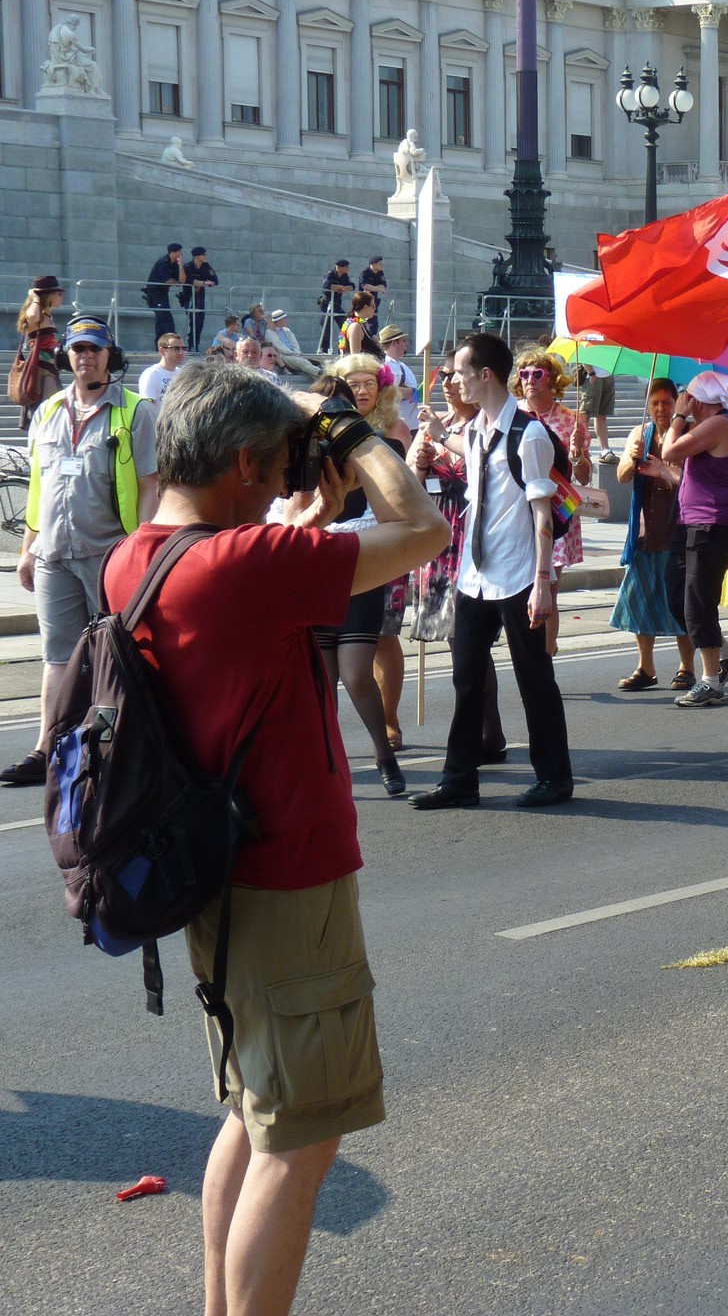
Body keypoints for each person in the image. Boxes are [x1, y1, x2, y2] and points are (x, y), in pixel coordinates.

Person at [105, 360, 444, 1316]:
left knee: (254, 1115)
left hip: (217, 875)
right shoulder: (247, 566)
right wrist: (353, 432)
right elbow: (424, 529)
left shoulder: (140, 555)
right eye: (278, 464)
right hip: (288, 874)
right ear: (246, 463)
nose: (287, 478)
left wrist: (297, 514)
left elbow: (249, 585)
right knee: (300, 1140)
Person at [410, 332, 574, 809]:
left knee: (534, 679)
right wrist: (438, 434)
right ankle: (459, 780)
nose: (453, 380)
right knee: (467, 680)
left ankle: (554, 779)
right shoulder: (478, 428)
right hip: (474, 576)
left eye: (460, 372)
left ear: (485, 375)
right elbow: (474, 454)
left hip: (519, 576)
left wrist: (542, 583)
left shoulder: (529, 434)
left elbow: (543, 514)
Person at [1, 315, 159, 787]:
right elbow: (39, 487)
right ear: (65, 356)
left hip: (110, 554)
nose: (85, 356)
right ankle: (46, 749)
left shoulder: (136, 411)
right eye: (77, 349)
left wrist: (141, 548)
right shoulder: (49, 410)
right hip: (53, 554)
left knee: (117, 656)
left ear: (110, 355)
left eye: (94, 349)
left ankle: (120, 745)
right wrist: (28, 548)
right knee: (58, 657)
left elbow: (150, 486)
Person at [304, 374, 409, 796]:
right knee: (323, 680)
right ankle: (328, 765)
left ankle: (384, 755)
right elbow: (287, 515)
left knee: (356, 673)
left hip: (360, 568)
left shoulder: (377, 449)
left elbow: (393, 514)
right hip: (316, 572)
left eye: (336, 409)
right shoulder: (300, 456)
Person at [407, 358, 506, 761]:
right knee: (458, 643)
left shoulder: (482, 425)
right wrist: (420, 464)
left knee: (469, 642)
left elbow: (489, 477)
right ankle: (483, 730)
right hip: (439, 539)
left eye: (454, 375)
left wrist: (442, 440)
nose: (448, 382)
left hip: (471, 537)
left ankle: (487, 730)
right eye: (442, 376)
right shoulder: (432, 426)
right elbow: (411, 487)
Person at [325, 355, 412, 753]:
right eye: (352, 384)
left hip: (384, 543)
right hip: (335, 543)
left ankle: (390, 719)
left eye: (368, 383)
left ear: (381, 389)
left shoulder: (395, 429)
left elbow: (407, 488)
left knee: (384, 635)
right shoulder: (325, 429)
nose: (360, 391)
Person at [660, 369, 728, 709]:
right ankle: (725, 651)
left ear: (697, 400)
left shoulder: (720, 423)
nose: (684, 402)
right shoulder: (707, 427)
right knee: (676, 595)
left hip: (714, 525)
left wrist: (678, 417)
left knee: (699, 601)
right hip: (690, 522)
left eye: (688, 396)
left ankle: (711, 681)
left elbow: (671, 451)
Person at [611, 377, 693, 693]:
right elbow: (621, 476)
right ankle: (646, 667)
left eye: (667, 402)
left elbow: (694, 483)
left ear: (676, 404)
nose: (661, 409)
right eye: (655, 403)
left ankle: (687, 667)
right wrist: (631, 459)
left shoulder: (687, 435)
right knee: (638, 601)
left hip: (679, 531)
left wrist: (665, 471)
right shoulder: (639, 434)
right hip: (645, 532)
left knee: (680, 602)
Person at [512, 348, 593, 657]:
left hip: (556, 513)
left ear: (552, 379)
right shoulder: (511, 414)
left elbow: (584, 476)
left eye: (538, 374)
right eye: (524, 374)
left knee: (547, 588)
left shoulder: (572, 420)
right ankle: (531, 650)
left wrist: (578, 454)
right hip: (518, 511)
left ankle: (544, 654)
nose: (529, 380)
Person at [13, 274, 65, 425]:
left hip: (51, 369)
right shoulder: (38, 317)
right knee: (48, 412)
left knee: (54, 411)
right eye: (59, 294)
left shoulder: (48, 317)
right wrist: (35, 297)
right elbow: (32, 317)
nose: (62, 297)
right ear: (49, 295)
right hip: (41, 372)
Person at [376, 325, 420, 433]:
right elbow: (389, 391)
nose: (406, 344)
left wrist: (420, 393)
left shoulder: (401, 365)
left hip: (410, 423)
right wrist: (415, 392)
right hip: (399, 425)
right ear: (394, 343)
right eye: (403, 340)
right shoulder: (385, 366)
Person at [142, 243, 184, 346]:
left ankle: (159, 345)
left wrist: (180, 266)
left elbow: (180, 281)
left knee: (160, 320)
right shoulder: (163, 262)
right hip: (155, 293)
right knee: (165, 317)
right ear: (173, 252)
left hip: (163, 293)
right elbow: (167, 281)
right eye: (179, 251)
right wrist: (175, 281)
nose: (181, 254)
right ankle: (173, 340)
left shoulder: (174, 263)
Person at [181, 246, 218, 350]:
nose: (205, 256)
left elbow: (215, 280)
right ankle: (191, 344)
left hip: (200, 296)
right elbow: (187, 280)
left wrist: (200, 283)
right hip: (189, 296)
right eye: (203, 255)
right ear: (197, 256)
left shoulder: (206, 266)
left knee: (200, 321)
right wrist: (204, 283)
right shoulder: (188, 266)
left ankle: (195, 344)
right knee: (194, 319)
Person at [141, 330, 189, 402]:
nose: (181, 352)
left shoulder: (182, 374)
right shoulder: (152, 374)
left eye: (183, 348)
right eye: (176, 349)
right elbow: (148, 405)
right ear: (162, 351)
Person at [319, 259, 356, 350]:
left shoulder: (344, 276)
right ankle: (324, 350)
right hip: (327, 305)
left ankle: (343, 348)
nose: (348, 269)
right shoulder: (330, 275)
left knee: (345, 325)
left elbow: (352, 286)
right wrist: (340, 287)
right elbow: (327, 286)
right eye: (346, 267)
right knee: (326, 328)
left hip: (337, 305)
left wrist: (346, 288)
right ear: (339, 267)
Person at [337, 293, 378, 357]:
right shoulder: (355, 326)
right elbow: (355, 356)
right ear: (366, 307)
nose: (374, 309)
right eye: (373, 306)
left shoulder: (360, 324)